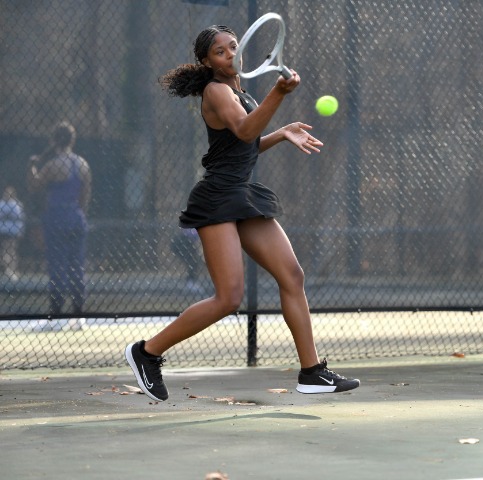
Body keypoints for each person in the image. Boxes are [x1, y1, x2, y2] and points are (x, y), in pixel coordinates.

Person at [125, 25, 359, 402]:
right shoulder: (216, 91)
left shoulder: (240, 93)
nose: (230, 54)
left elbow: (244, 145)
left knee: (292, 275)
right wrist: (279, 93)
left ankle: (312, 372)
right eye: (220, 51)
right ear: (207, 61)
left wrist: (282, 132)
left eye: (233, 47)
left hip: (242, 193)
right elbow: (246, 130)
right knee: (228, 298)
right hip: (218, 197)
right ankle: (146, 352)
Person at [27, 121, 91, 330]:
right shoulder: (83, 165)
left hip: (57, 218)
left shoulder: (53, 165)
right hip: (76, 217)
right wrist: (78, 214)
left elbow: (34, 186)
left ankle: (55, 316)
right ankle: (78, 315)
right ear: (72, 140)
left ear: (54, 140)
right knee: (77, 266)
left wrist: (32, 166)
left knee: (57, 266)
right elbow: (85, 197)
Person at [0, 185, 25, 281]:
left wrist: (20, 230)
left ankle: (12, 270)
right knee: (5, 250)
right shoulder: (1, 204)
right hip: (3, 231)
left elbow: (20, 218)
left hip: (13, 232)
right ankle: (6, 270)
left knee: (12, 250)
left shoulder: (16, 205)